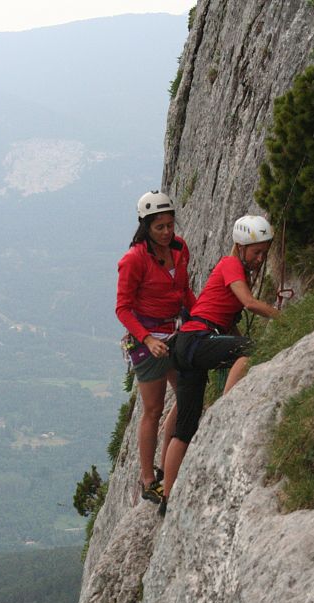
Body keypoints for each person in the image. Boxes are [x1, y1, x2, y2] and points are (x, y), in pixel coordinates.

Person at [159, 215, 280, 516]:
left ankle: (167, 497)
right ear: (240, 247)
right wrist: (285, 317)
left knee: (186, 426)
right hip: (198, 339)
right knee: (251, 350)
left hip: (187, 345)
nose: (260, 258)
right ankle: (228, 409)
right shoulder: (231, 265)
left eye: (264, 252)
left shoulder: (236, 268)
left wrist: (237, 340)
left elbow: (230, 324)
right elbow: (249, 303)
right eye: (257, 252)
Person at [116, 190, 196, 503]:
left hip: (175, 330)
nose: (166, 232)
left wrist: (200, 316)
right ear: (145, 226)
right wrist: (148, 340)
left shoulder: (180, 248)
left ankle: (168, 460)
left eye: (169, 225)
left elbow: (184, 291)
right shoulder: (134, 259)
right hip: (146, 337)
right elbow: (122, 308)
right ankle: (148, 478)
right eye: (159, 227)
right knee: (152, 408)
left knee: (188, 391)